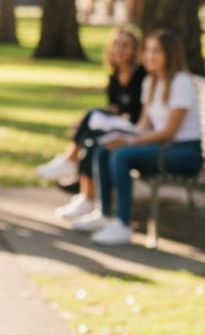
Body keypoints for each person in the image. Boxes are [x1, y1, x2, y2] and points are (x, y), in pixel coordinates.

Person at [73, 29, 204, 246]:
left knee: (121, 156)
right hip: (164, 148)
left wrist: (130, 142)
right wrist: (120, 135)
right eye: (148, 50)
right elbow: (144, 124)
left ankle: (123, 224)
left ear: (171, 55)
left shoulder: (181, 83)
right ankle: (104, 215)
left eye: (157, 52)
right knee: (105, 148)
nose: (150, 56)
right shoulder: (151, 82)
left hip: (184, 152)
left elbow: (169, 132)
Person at [39, 27, 145, 221]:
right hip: (120, 124)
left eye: (125, 46)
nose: (119, 50)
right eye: (116, 44)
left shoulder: (141, 76)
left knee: (93, 131)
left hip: (135, 129)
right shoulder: (115, 76)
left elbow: (138, 114)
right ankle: (84, 196)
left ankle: (70, 164)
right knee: (90, 134)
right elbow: (115, 108)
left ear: (135, 50)